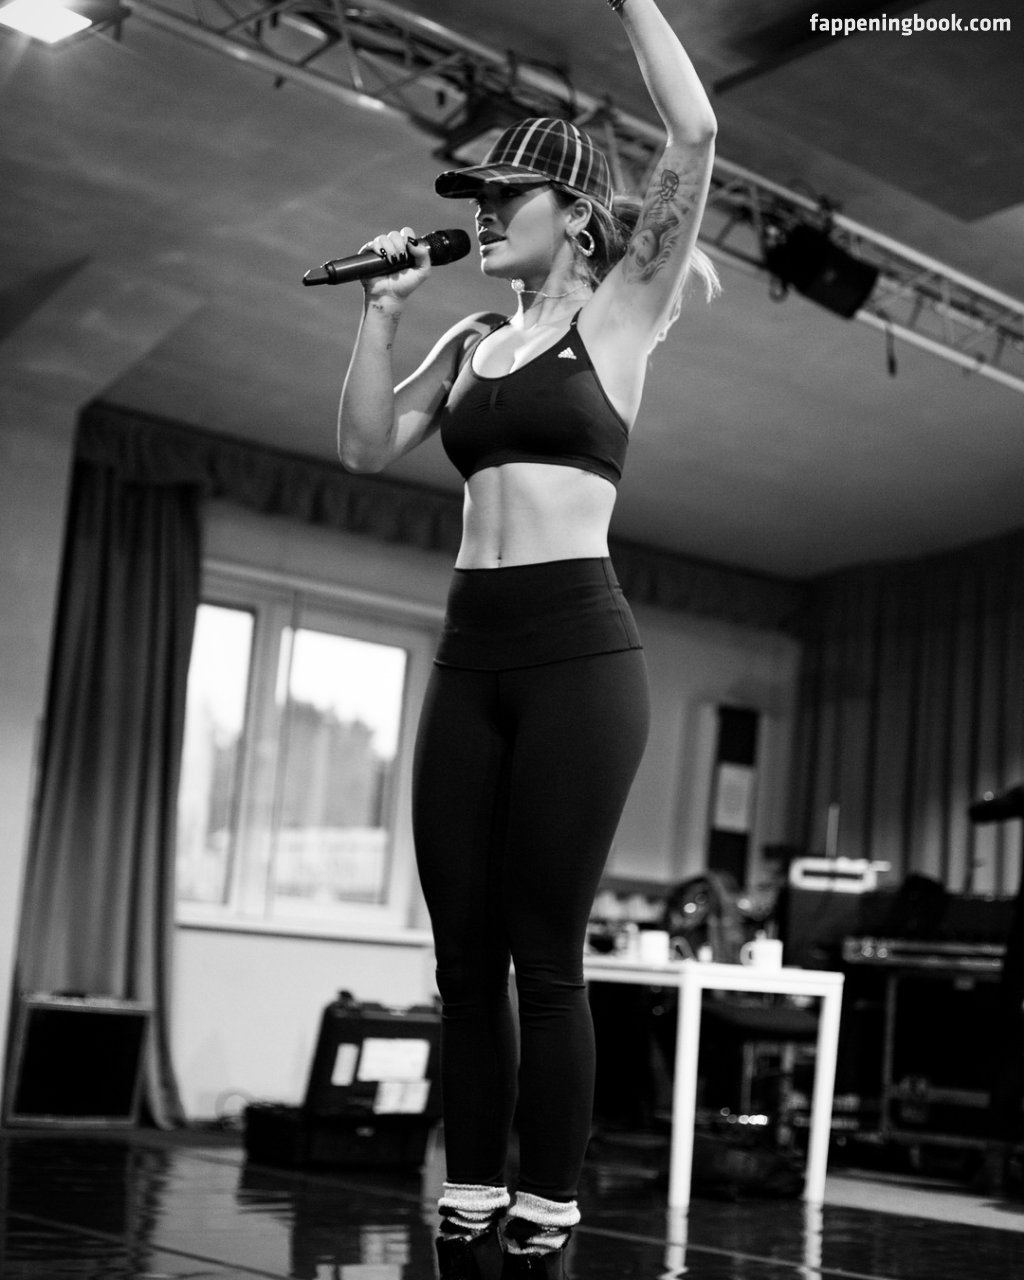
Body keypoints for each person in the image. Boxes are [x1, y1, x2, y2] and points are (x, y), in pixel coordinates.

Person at [337, 2, 717, 1274]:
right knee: (463, 958)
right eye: (477, 197)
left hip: (577, 658)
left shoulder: (619, 318)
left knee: (544, 955)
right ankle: (472, 1189)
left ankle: (547, 1203)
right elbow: (361, 446)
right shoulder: (470, 338)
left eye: (507, 195)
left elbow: (694, 133)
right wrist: (384, 309)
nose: (486, 214)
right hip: (470, 655)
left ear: (575, 213)